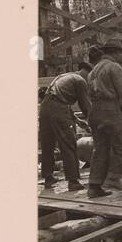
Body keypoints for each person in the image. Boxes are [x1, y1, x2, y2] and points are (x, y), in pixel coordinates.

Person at [86, 37, 122, 198]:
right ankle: (113, 177)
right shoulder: (113, 67)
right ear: (114, 52)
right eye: (121, 52)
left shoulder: (93, 70)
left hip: (95, 111)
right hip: (110, 110)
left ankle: (94, 186)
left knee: (100, 149)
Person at [38, 58, 93, 191]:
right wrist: (93, 123)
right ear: (87, 73)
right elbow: (85, 106)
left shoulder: (64, 77)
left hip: (45, 108)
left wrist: (77, 120)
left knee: (48, 144)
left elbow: (58, 98)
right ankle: (73, 181)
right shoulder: (81, 81)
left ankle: (48, 177)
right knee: (68, 143)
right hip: (57, 109)